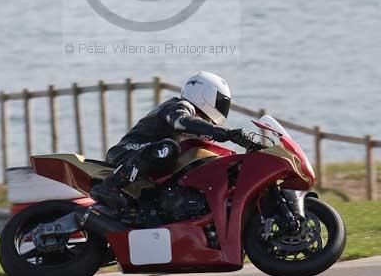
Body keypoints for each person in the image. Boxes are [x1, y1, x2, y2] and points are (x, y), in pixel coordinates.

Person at [90, 71, 260, 209]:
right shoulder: (179, 107)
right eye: (221, 102)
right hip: (128, 151)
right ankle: (109, 187)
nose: (222, 108)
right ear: (206, 94)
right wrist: (226, 134)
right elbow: (181, 121)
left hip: (152, 162)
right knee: (169, 148)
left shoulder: (199, 129)